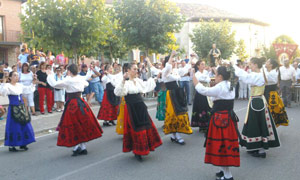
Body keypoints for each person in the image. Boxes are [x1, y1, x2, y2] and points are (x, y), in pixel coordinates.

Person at [193, 66, 239, 180]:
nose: (214, 76)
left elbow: (203, 91)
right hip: (228, 118)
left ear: (220, 76)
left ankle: (228, 175)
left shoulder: (220, 87)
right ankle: (222, 171)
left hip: (220, 119)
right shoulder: (230, 84)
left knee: (221, 146)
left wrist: (193, 77)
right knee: (224, 145)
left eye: (216, 74)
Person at [46, 64, 103, 156]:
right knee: (81, 123)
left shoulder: (68, 80)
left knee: (73, 124)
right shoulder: (80, 78)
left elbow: (55, 84)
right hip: (81, 102)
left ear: (69, 71)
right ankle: (83, 147)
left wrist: (49, 75)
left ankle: (77, 147)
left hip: (72, 104)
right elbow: (86, 83)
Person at [114, 62, 162, 161]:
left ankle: (145, 147)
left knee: (145, 127)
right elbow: (118, 92)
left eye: (137, 69)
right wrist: (123, 80)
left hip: (140, 106)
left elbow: (146, 86)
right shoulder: (125, 82)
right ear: (128, 70)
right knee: (135, 129)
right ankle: (137, 150)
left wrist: (155, 78)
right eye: (134, 69)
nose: (137, 71)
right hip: (131, 107)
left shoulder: (138, 80)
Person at [233, 57, 280, 158]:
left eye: (250, 64)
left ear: (255, 64)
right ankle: (256, 147)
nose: (249, 66)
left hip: (256, 101)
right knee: (260, 123)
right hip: (260, 100)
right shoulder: (264, 74)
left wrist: (233, 67)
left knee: (256, 124)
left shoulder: (256, 75)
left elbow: (244, 76)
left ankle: (260, 149)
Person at [162, 51, 193, 145]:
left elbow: (186, 68)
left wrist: (191, 59)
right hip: (171, 94)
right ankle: (175, 135)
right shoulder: (165, 71)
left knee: (181, 113)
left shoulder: (176, 71)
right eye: (172, 61)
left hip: (179, 93)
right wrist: (171, 55)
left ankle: (176, 135)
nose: (174, 62)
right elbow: (168, 67)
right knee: (173, 114)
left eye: (174, 61)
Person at [0, 71, 36, 152]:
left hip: (21, 107)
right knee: (14, 126)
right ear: (10, 77)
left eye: (17, 75)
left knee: (24, 124)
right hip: (13, 108)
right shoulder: (8, 86)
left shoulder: (20, 85)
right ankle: (12, 145)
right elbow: (3, 92)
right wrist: (4, 81)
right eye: (14, 75)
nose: (17, 77)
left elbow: (28, 90)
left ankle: (23, 143)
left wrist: (33, 82)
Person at [264, 59, 289, 127]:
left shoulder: (273, 73)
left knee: (270, 111)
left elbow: (266, 79)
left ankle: (271, 127)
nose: (265, 63)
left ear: (271, 65)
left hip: (270, 94)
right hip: (267, 92)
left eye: (267, 62)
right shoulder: (269, 71)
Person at [191, 60, 211, 133]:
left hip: (207, 91)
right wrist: (205, 77)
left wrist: (206, 77)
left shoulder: (205, 72)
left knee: (207, 107)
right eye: (202, 64)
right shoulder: (196, 74)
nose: (203, 66)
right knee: (201, 107)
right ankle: (201, 125)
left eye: (204, 64)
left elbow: (208, 79)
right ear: (198, 66)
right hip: (200, 93)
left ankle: (207, 124)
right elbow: (201, 79)